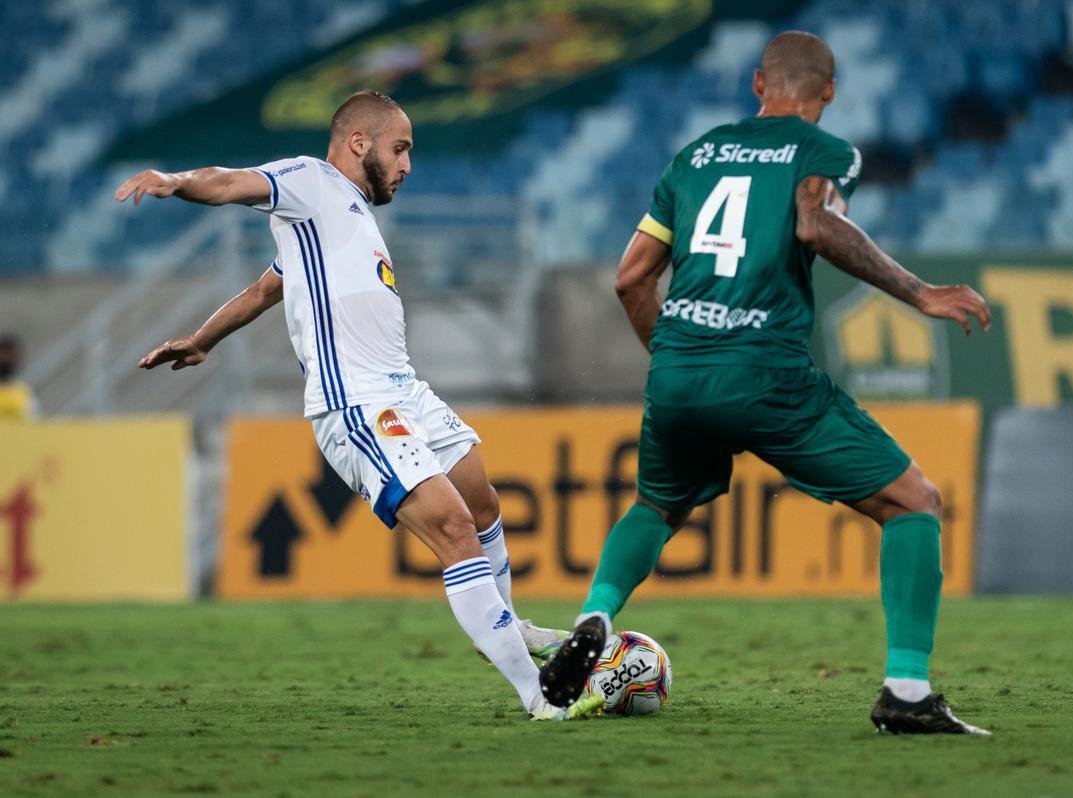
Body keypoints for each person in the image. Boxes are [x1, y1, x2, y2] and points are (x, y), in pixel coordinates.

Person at [538, 32, 992, 735]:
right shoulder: (824, 151)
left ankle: (595, 614)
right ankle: (906, 691)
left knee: (657, 507)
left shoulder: (695, 156)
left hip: (679, 371)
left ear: (757, 84)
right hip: (766, 373)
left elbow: (630, 278)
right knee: (915, 503)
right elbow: (815, 225)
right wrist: (920, 293)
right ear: (829, 91)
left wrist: (678, 358)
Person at [116, 90, 599, 721]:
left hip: (405, 389)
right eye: (400, 149)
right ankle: (540, 695)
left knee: (481, 500)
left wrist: (203, 339)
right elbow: (230, 182)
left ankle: (503, 625)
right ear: (358, 143)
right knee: (454, 528)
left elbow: (265, 289)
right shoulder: (309, 181)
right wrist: (175, 181)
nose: (407, 165)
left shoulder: (342, 217)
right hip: (356, 403)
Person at [0, 334, 40, 422]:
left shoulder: (23, 392)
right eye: (3, 354)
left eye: (9, 355)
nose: (5, 359)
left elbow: (33, 421)